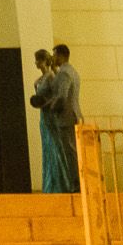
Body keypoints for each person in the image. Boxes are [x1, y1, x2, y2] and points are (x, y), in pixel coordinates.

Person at [46, 43, 83, 194]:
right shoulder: (71, 71)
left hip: (66, 117)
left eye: (54, 55)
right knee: (74, 150)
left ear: (61, 56)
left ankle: (76, 184)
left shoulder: (64, 74)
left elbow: (61, 96)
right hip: (74, 114)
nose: (53, 58)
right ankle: (77, 182)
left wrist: (51, 107)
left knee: (70, 152)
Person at [29, 50, 66, 194]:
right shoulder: (41, 78)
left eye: (38, 60)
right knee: (47, 148)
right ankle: (49, 184)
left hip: (50, 114)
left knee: (54, 147)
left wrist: (45, 104)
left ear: (44, 61)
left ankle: (59, 184)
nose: (36, 63)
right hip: (43, 116)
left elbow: (57, 96)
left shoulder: (51, 77)